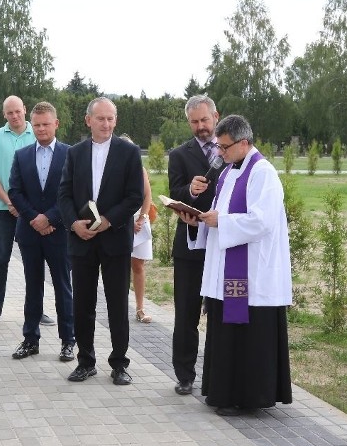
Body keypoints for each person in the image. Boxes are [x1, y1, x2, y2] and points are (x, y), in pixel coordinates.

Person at [176, 114, 292, 416]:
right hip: (224, 269)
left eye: (224, 147)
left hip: (253, 275)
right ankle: (223, 392)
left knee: (246, 337)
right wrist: (196, 221)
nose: (220, 153)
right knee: (225, 333)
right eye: (218, 147)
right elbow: (219, 216)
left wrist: (221, 221)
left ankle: (248, 397)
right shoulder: (228, 174)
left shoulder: (263, 172)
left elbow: (262, 221)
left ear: (244, 143)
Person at [58, 97, 144, 385]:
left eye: (110, 119)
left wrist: (109, 220)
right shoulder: (75, 153)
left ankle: (119, 363)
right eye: (100, 119)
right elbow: (64, 194)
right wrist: (73, 223)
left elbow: (134, 196)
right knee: (83, 303)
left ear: (115, 121)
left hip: (116, 239)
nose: (106, 124)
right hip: (82, 240)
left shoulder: (129, 153)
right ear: (88, 120)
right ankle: (86, 361)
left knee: (117, 303)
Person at [0, 95, 54, 327]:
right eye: (9, 112)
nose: (14, 116)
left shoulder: (38, 133)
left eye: (18, 111)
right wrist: (10, 201)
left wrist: (27, 209)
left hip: (33, 213)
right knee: (0, 259)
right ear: (4, 115)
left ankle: (37, 311)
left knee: (35, 261)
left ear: (24, 110)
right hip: (3, 210)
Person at [7, 102, 76, 362]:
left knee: (63, 287)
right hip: (29, 232)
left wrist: (50, 218)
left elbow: (73, 193)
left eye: (46, 124)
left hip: (60, 233)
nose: (41, 129)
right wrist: (35, 218)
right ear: (30, 125)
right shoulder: (22, 155)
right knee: (32, 287)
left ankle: (68, 341)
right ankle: (30, 339)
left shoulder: (70, 154)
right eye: (36, 125)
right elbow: (14, 191)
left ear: (56, 124)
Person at [167, 95, 225, 395]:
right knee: (186, 312)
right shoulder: (179, 154)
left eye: (204, 120)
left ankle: (216, 373)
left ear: (215, 116)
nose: (200, 127)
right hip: (189, 246)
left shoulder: (231, 151)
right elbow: (174, 191)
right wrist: (189, 190)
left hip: (223, 244)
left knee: (219, 312)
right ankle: (185, 375)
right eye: (194, 122)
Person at [119, 134, 154, 324]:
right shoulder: (113, 171)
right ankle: (119, 307)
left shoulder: (140, 170)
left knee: (138, 265)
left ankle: (140, 308)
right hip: (120, 223)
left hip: (140, 222)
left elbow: (147, 195)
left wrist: (141, 217)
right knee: (120, 266)